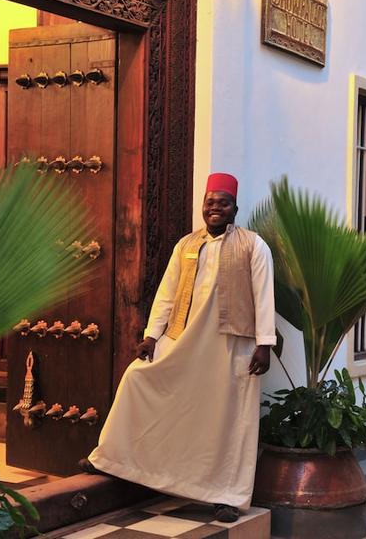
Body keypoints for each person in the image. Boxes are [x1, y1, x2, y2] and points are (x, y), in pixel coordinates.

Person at [80, 173, 275, 523]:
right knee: (138, 380)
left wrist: (264, 344)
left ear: (235, 209)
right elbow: (167, 292)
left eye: (223, 203)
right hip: (183, 336)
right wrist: (152, 335)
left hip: (230, 342)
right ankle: (112, 459)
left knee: (228, 417)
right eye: (210, 202)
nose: (215, 208)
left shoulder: (253, 245)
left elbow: (264, 295)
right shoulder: (186, 245)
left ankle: (227, 495)